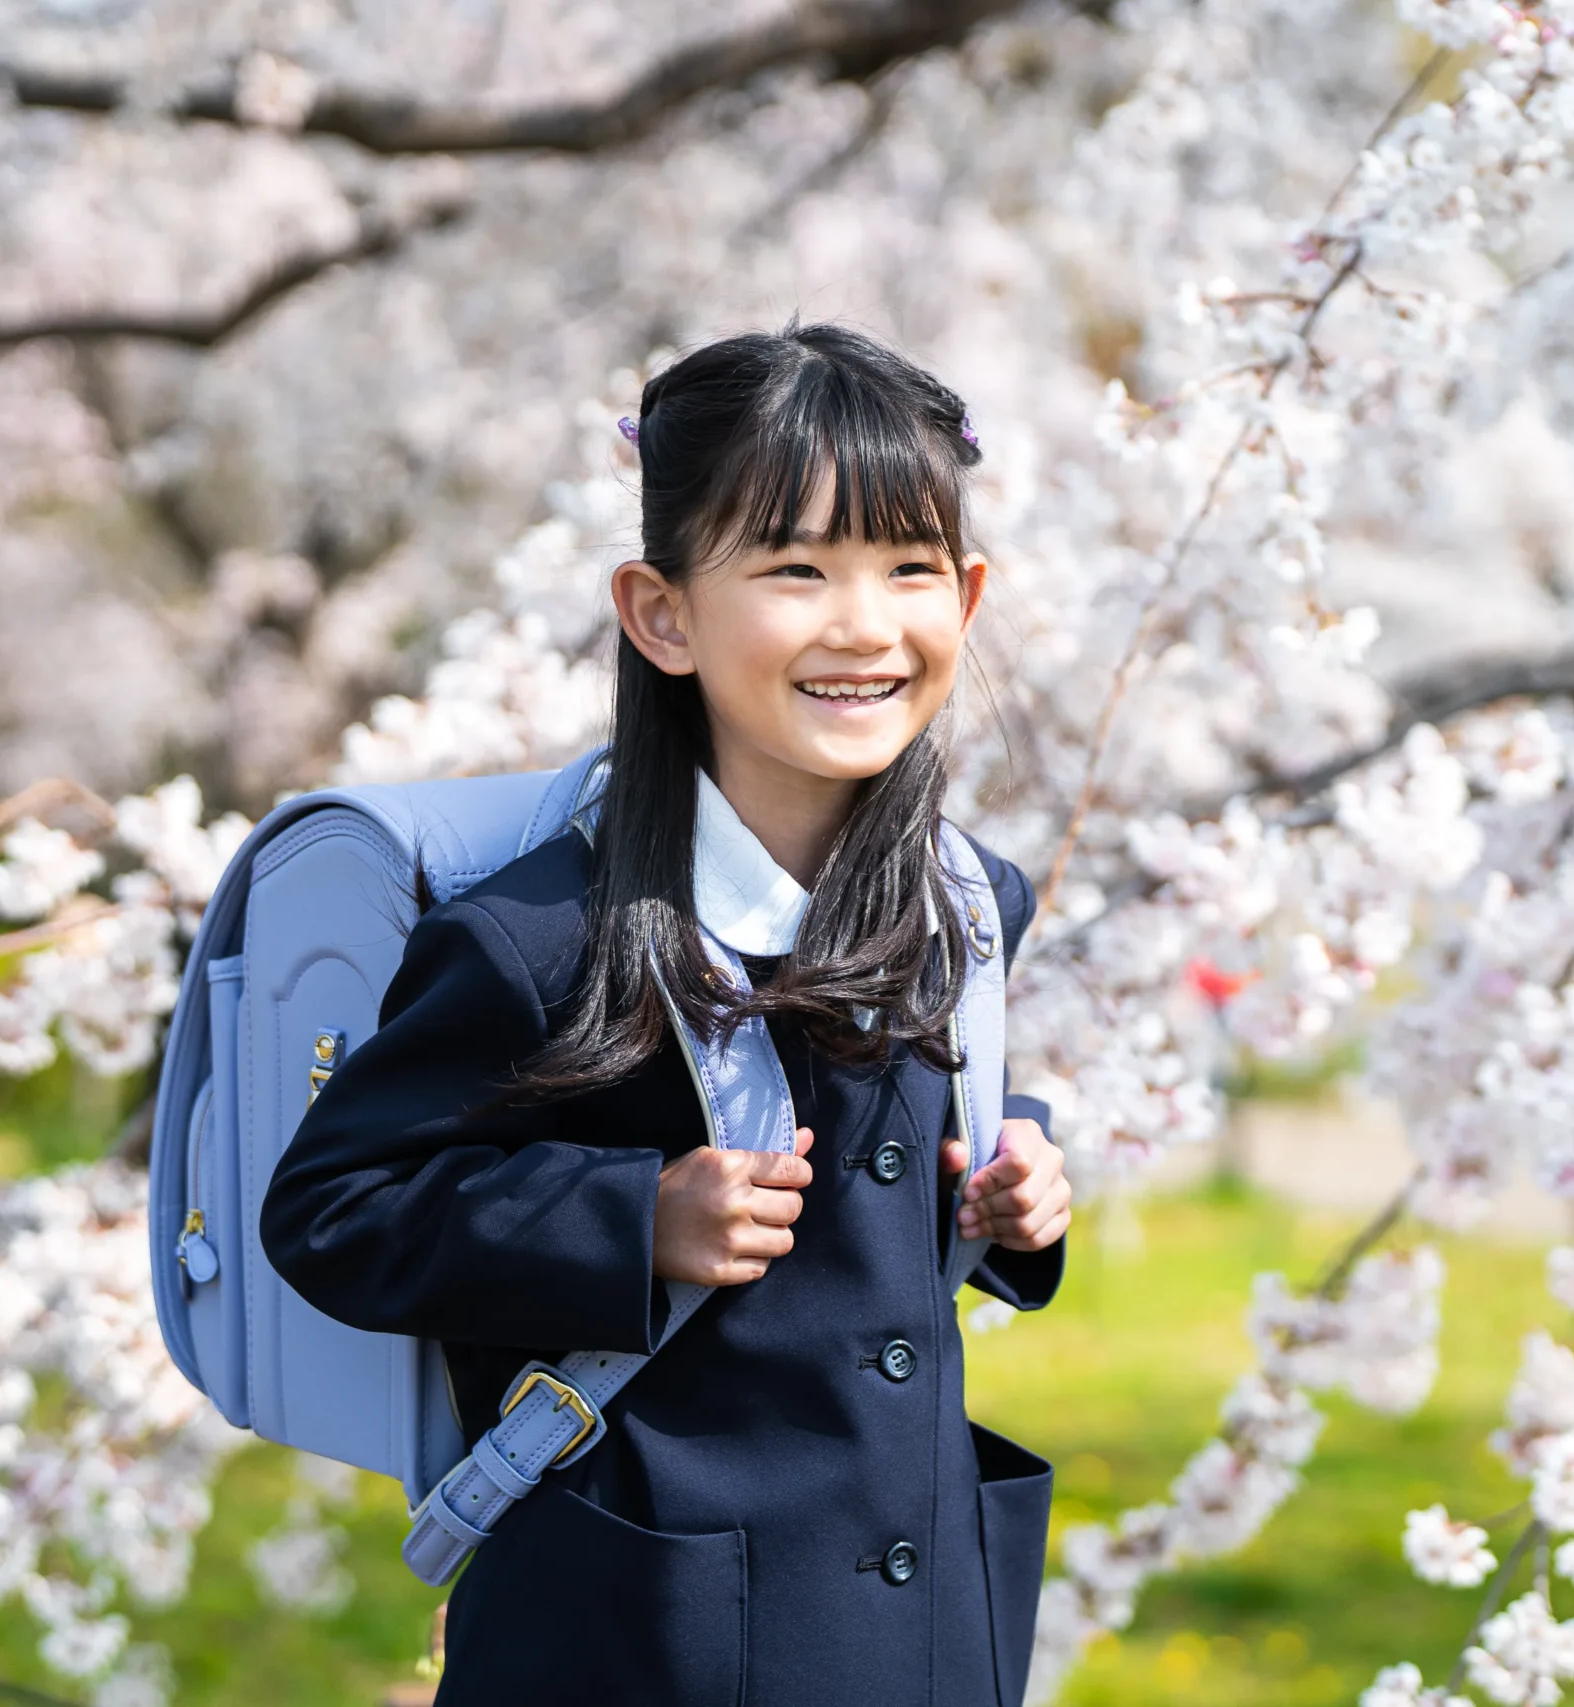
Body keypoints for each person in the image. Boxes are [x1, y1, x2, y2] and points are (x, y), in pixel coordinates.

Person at [258, 323, 1073, 1706]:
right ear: (662, 613)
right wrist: (631, 1219)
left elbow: (934, 1118)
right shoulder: (544, 937)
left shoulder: (963, 900)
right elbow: (334, 1204)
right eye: (797, 567)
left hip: (917, 1633)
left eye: (910, 567)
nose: (865, 623)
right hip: (646, 1643)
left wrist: (1017, 1174)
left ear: (971, 595)